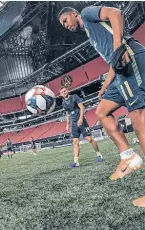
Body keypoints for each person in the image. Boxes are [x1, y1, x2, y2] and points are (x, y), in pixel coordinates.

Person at [58, 6, 145, 207]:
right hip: (119, 72)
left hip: (130, 59)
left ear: (74, 14)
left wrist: (117, 47)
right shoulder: (90, 33)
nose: (66, 25)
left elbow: (116, 13)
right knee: (102, 111)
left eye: (65, 20)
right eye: (63, 24)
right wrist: (105, 85)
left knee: (139, 120)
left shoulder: (87, 13)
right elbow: (112, 62)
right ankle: (128, 157)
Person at [60, 87, 103, 167]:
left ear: (68, 91)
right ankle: (76, 162)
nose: (64, 92)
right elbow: (67, 113)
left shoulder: (74, 97)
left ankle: (99, 154)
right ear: (60, 94)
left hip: (81, 121)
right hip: (73, 124)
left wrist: (80, 119)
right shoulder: (63, 103)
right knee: (75, 142)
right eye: (62, 92)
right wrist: (67, 123)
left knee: (89, 139)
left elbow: (82, 107)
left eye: (65, 90)